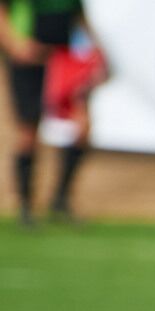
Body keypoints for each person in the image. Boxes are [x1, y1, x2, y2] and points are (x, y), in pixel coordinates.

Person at [0, 0, 101, 226]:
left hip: (64, 61)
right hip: (30, 61)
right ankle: (26, 206)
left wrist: (95, 50)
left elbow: (79, 19)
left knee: (81, 128)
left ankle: (60, 200)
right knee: (28, 132)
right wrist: (15, 45)